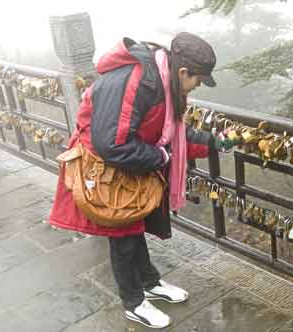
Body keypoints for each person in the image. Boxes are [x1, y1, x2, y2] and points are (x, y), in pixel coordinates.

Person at [48, 32, 218, 329]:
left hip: (125, 163)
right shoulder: (134, 81)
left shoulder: (163, 83)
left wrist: (212, 141)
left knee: (133, 227)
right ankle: (134, 302)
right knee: (123, 236)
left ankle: (149, 283)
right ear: (182, 71)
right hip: (105, 169)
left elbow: (171, 133)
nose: (197, 86)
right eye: (198, 80)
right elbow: (110, 144)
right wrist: (160, 158)